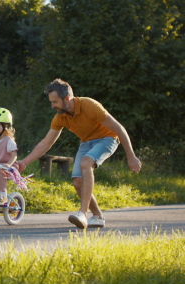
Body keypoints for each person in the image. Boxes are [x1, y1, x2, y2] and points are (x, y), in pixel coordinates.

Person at [15, 78, 142, 229]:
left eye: (55, 102)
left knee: (86, 163)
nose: (52, 105)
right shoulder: (60, 117)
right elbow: (46, 143)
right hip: (86, 142)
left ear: (67, 98)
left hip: (107, 139)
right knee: (77, 182)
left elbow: (119, 129)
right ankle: (98, 217)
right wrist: (24, 162)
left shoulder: (90, 106)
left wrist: (131, 156)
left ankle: (82, 213)